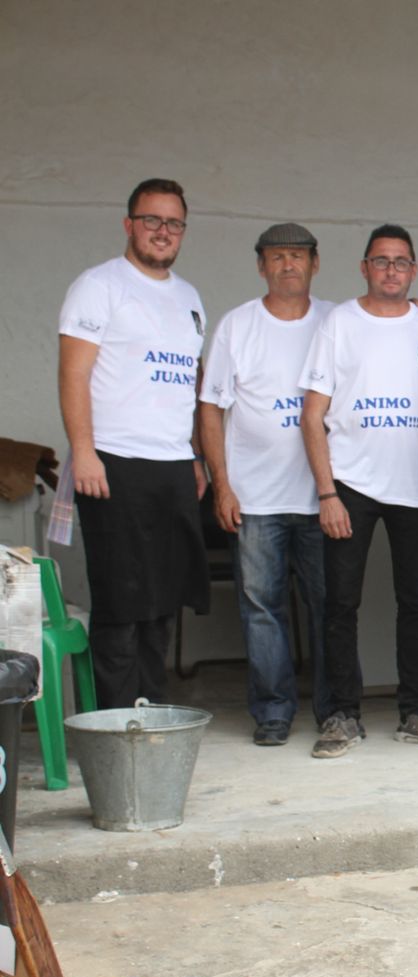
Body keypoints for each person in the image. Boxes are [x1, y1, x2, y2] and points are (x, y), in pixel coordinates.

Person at [299, 224, 418, 758]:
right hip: (351, 485)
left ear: (414, 270)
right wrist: (327, 493)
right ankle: (341, 715)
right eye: (381, 260)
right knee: (340, 603)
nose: (391, 270)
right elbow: (312, 414)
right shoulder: (338, 324)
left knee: (416, 602)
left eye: (401, 262)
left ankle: (415, 710)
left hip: (417, 486)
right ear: (364, 267)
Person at [56, 178, 208, 709]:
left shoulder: (189, 298)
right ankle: (115, 726)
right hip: (113, 462)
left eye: (173, 223)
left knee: (163, 601)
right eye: (151, 220)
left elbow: (188, 384)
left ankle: (153, 714)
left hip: (171, 466)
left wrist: (192, 455)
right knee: (121, 602)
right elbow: (73, 375)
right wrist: (84, 452)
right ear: (129, 225)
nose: (162, 232)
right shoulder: (98, 286)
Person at [198, 222, 332, 745]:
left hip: (323, 497)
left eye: (298, 256)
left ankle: (333, 708)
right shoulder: (237, 326)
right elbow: (211, 410)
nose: (288, 265)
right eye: (277, 257)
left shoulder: (335, 321)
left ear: (315, 264)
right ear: (261, 265)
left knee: (329, 607)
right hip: (255, 498)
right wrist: (222, 485)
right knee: (262, 609)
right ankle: (274, 711)